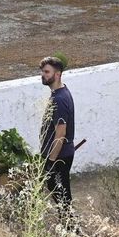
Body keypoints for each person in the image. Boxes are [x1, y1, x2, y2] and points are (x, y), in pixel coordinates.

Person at [39, 56, 75, 211]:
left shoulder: (59, 99)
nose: (43, 75)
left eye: (47, 72)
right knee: (61, 195)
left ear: (58, 74)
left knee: (62, 197)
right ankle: (69, 223)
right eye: (42, 71)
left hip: (59, 157)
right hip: (60, 155)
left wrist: (51, 162)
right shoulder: (61, 92)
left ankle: (71, 225)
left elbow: (60, 134)